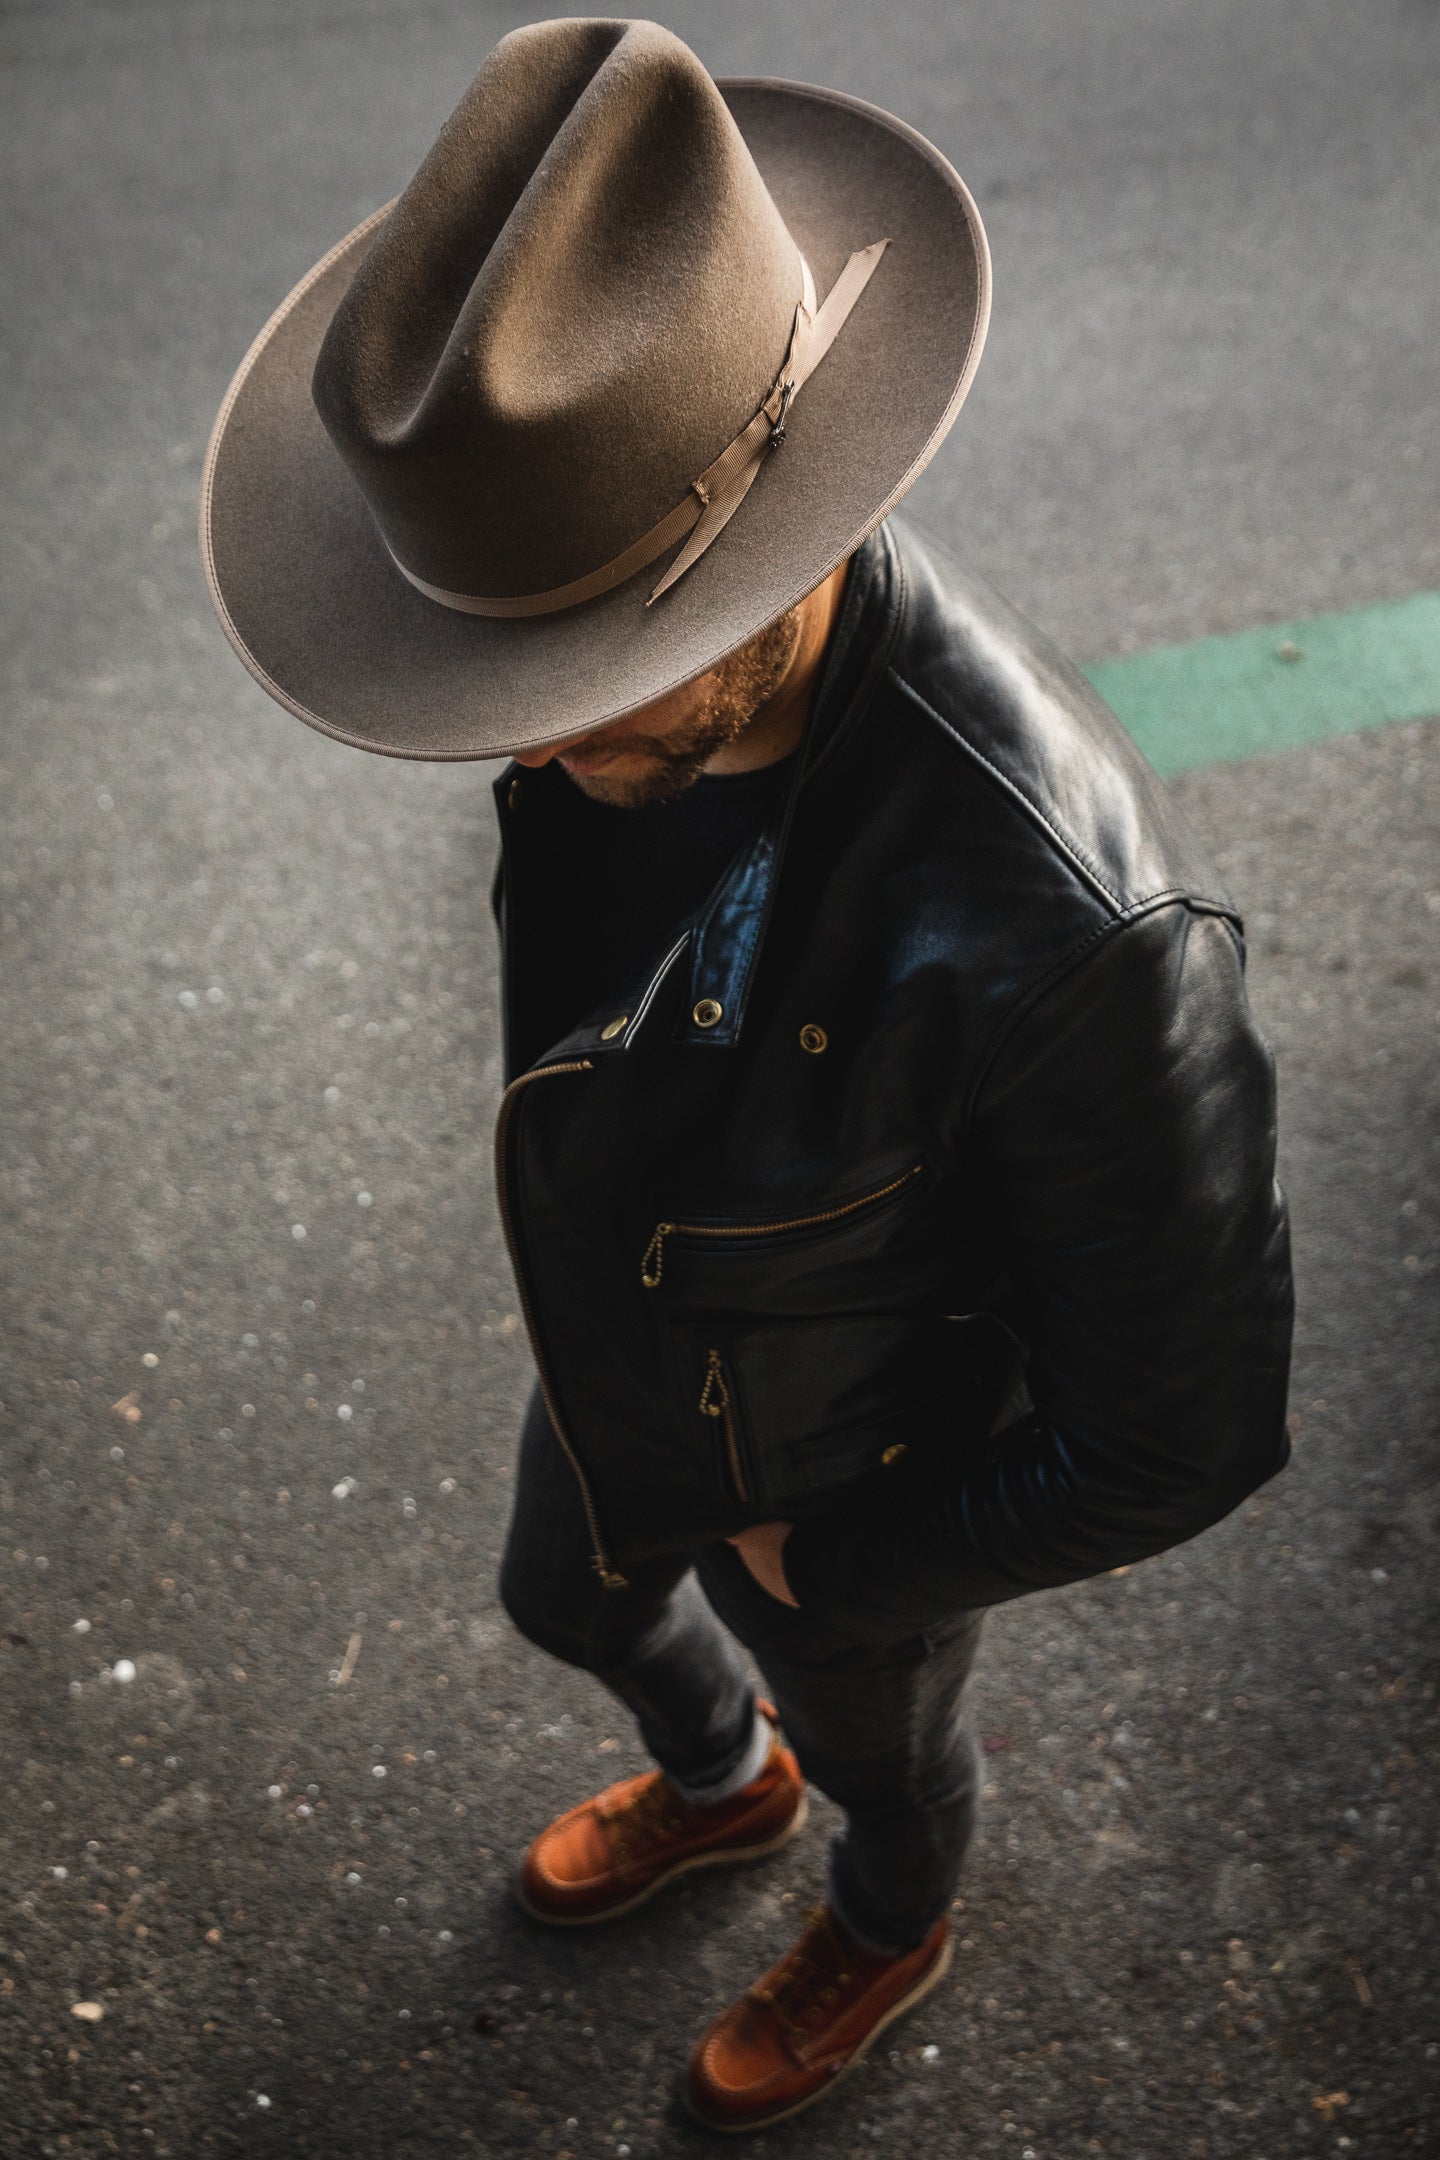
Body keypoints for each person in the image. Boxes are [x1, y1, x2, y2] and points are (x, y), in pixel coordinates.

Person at [199, 17, 1294, 2134]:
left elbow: (1191, 1433)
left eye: (580, 673)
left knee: (889, 1753)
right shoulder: (626, 710)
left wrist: (844, 1565)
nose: (527, 746)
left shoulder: (1064, 933)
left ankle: (887, 1916)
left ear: (765, 555)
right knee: (557, 1591)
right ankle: (725, 1783)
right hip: (645, 1334)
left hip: (852, 1473)